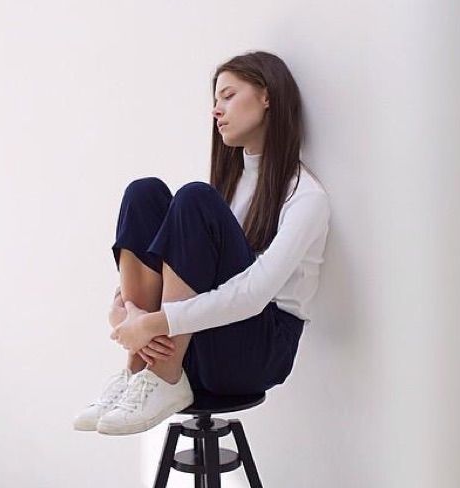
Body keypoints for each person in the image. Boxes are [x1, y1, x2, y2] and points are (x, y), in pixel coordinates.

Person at [73, 50, 331, 436]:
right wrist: (126, 312)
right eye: (215, 100)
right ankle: (139, 370)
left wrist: (153, 323)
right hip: (202, 342)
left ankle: (162, 374)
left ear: (266, 97)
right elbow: (171, 267)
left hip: (257, 353)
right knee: (144, 193)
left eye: (228, 95)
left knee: (193, 198)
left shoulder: (305, 196)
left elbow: (253, 294)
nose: (216, 110)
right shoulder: (228, 187)